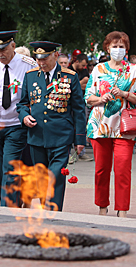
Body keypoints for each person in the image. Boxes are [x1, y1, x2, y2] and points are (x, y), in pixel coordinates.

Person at [17, 41, 86, 211]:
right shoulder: (31, 76)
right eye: (38, 59)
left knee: (55, 176)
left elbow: (78, 109)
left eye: (45, 58)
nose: (41, 63)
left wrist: (80, 139)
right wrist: (24, 117)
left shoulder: (70, 77)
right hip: (37, 135)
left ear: (55, 55)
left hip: (61, 135)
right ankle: (44, 208)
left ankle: (53, 211)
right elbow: (22, 104)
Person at [84, 31, 136, 218]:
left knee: (123, 170)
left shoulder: (134, 70)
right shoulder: (98, 69)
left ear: (126, 49)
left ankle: (122, 210)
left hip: (124, 128)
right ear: (107, 48)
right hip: (100, 126)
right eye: (114, 46)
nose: (118, 50)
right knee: (101, 170)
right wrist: (101, 98)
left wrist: (125, 94)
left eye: (121, 46)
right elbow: (88, 97)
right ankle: (102, 207)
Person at [0, 30, 37, 207]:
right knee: (0, 170)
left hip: (16, 124)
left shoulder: (28, 65)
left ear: (13, 46)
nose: (0, 54)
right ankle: (8, 201)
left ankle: (9, 209)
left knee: (10, 167)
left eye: (3, 50)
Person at [69, 53, 93, 162]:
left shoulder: (84, 71)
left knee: (82, 124)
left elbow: (87, 85)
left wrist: (79, 84)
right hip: (68, 103)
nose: (84, 68)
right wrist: (80, 83)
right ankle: (69, 153)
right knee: (69, 126)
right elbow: (72, 87)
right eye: (82, 65)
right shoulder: (69, 71)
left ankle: (81, 152)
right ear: (76, 61)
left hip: (81, 100)